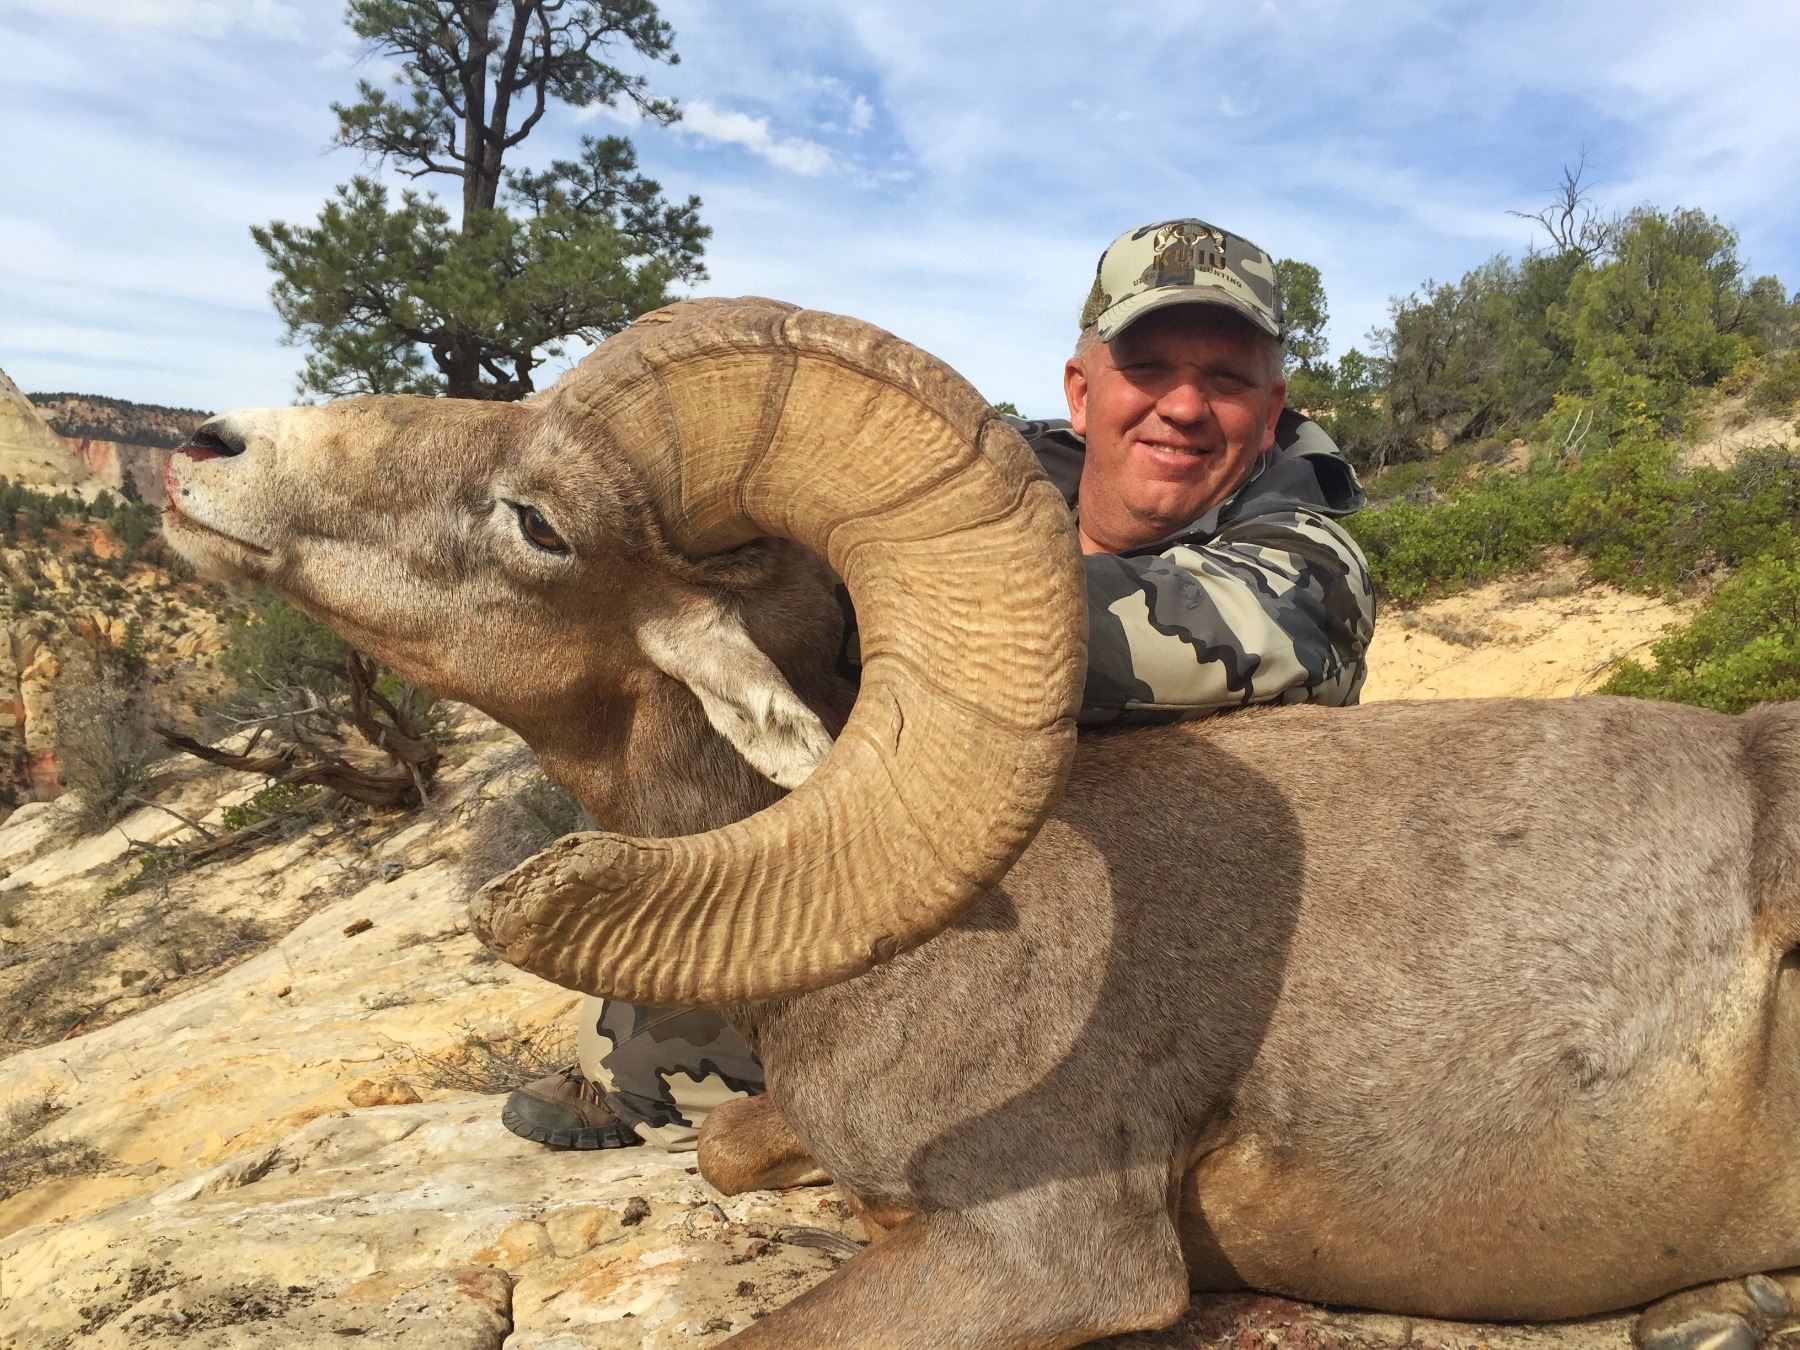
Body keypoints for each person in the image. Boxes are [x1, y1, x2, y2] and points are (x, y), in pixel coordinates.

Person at [501, 215, 1376, 1151]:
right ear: (1083, 391)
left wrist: (819, 606)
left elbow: (1057, 633)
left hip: (1126, 970)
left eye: (1228, 380)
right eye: (1150, 368)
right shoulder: (983, 475)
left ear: (1272, 410)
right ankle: (661, 1067)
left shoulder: (1311, 567)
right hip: (917, 886)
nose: (1185, 406)